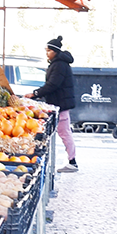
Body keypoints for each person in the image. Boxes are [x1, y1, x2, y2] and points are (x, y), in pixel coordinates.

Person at [30, 35, 77, 171]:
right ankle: (68, 160)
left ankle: (72, 162)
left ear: (55, 51)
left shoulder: (60, 65)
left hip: (60, 105)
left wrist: (36, 93)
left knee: (64, 132)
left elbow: (53, 85)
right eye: (46, 50)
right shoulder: (58, 64)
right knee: (63, 132)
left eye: (49, 51)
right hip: (58, 104)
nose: (47, 53)